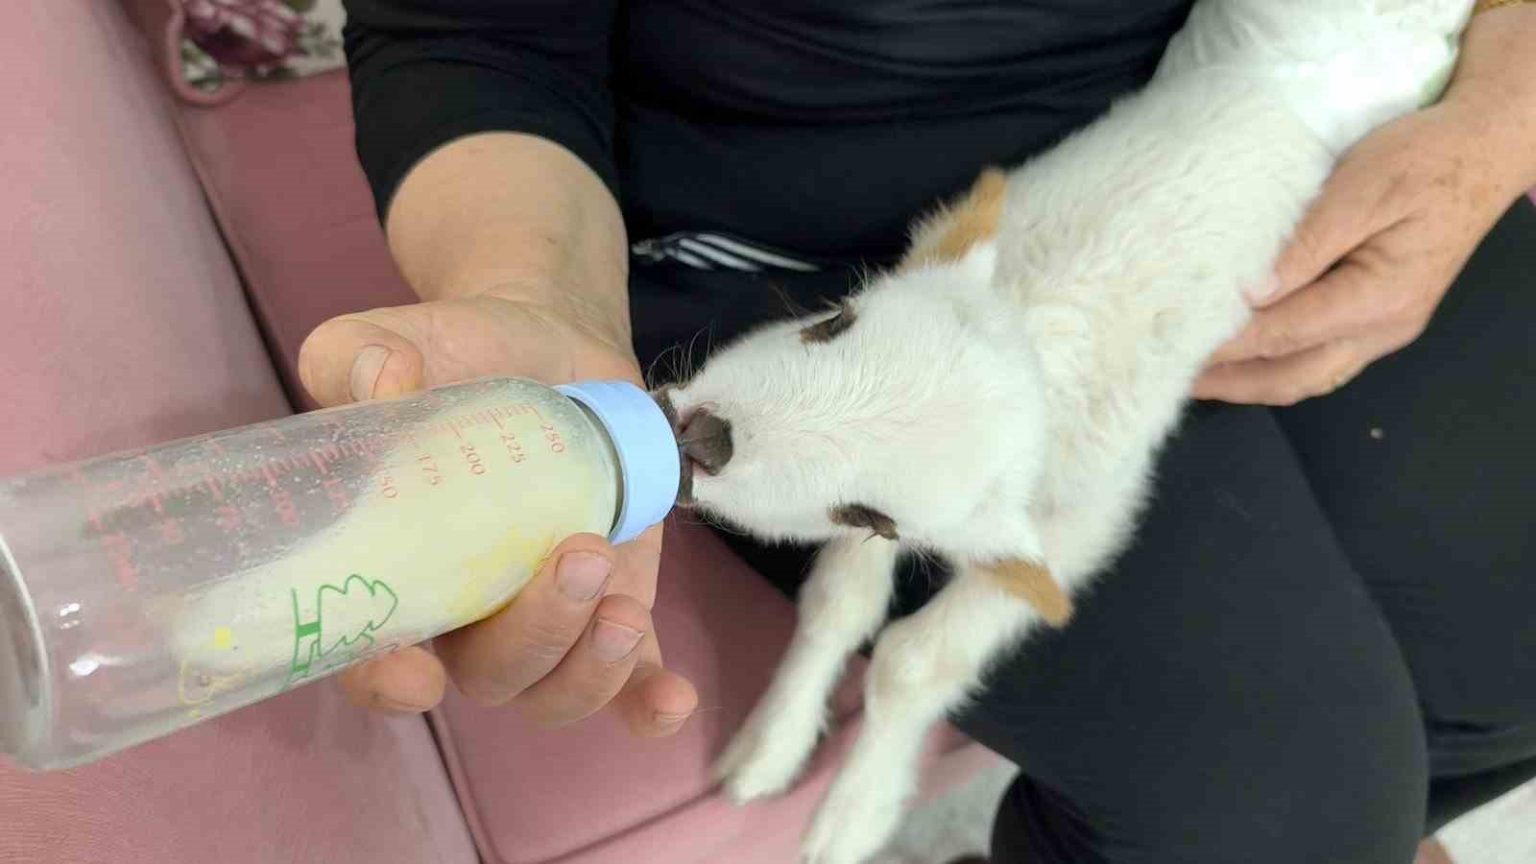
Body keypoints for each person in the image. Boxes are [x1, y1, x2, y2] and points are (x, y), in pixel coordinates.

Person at [300, 1, 1536, 861]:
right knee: (1284, 814)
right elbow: (473, 33)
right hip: (777, 260)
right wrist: (540, 293)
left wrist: (1499, 115)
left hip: (1199, 135)